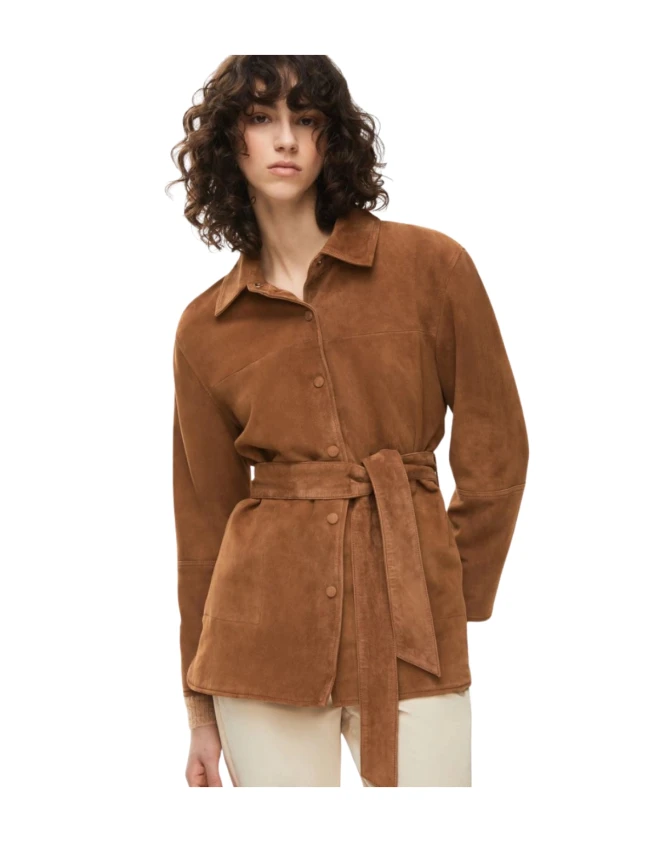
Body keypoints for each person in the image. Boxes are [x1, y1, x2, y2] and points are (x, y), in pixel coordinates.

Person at [165, 55, 529, 787]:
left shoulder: (430, 267)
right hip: (259, 640)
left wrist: (446, 588)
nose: (285, 138)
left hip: (413, 631)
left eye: (305, 119)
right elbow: (204, 525)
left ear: (333, 138)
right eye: (261, 118)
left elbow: (497, 450)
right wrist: (199, 707)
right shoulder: (205, 328)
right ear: (229, 143)